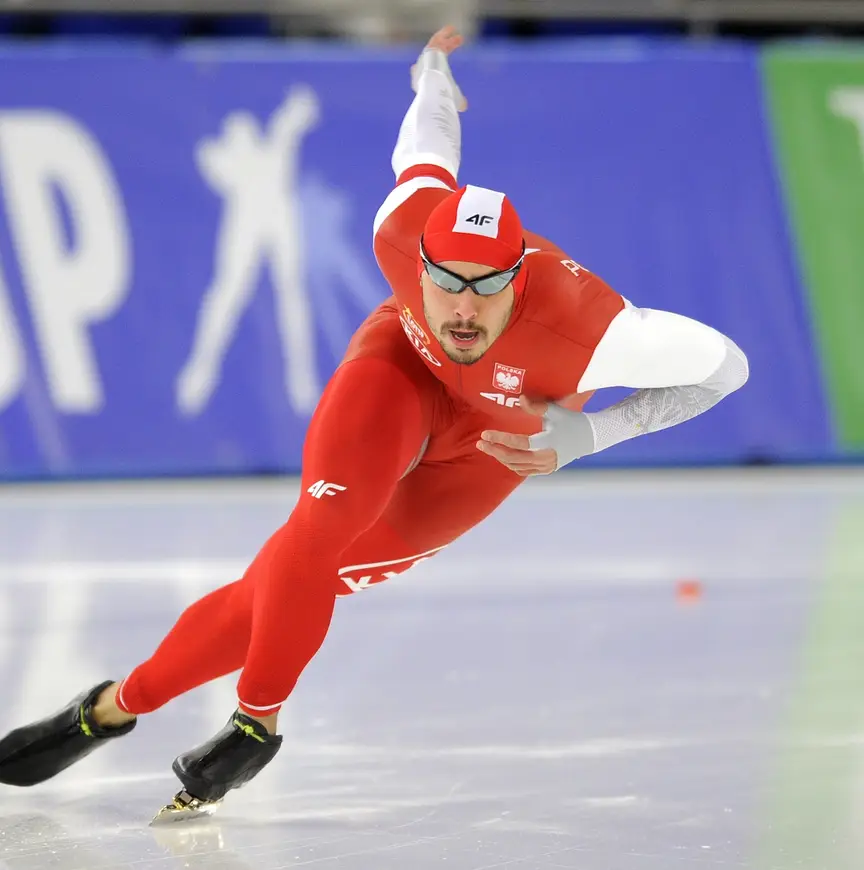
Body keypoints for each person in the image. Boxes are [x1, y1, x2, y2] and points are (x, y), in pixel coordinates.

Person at [0, 25, 748, 822]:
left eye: (486, 287)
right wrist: (434, 76)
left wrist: (593, 436)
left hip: (499, 442)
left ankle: (114, 706)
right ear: (416, 263)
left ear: (519, 278)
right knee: (313, 536)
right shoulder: (398, 228)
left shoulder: (597, 331)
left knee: (280, 589)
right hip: (402, 373)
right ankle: (242, 723)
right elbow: (426, 146)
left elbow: (726, 368)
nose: (463, 309)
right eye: (446, 283)